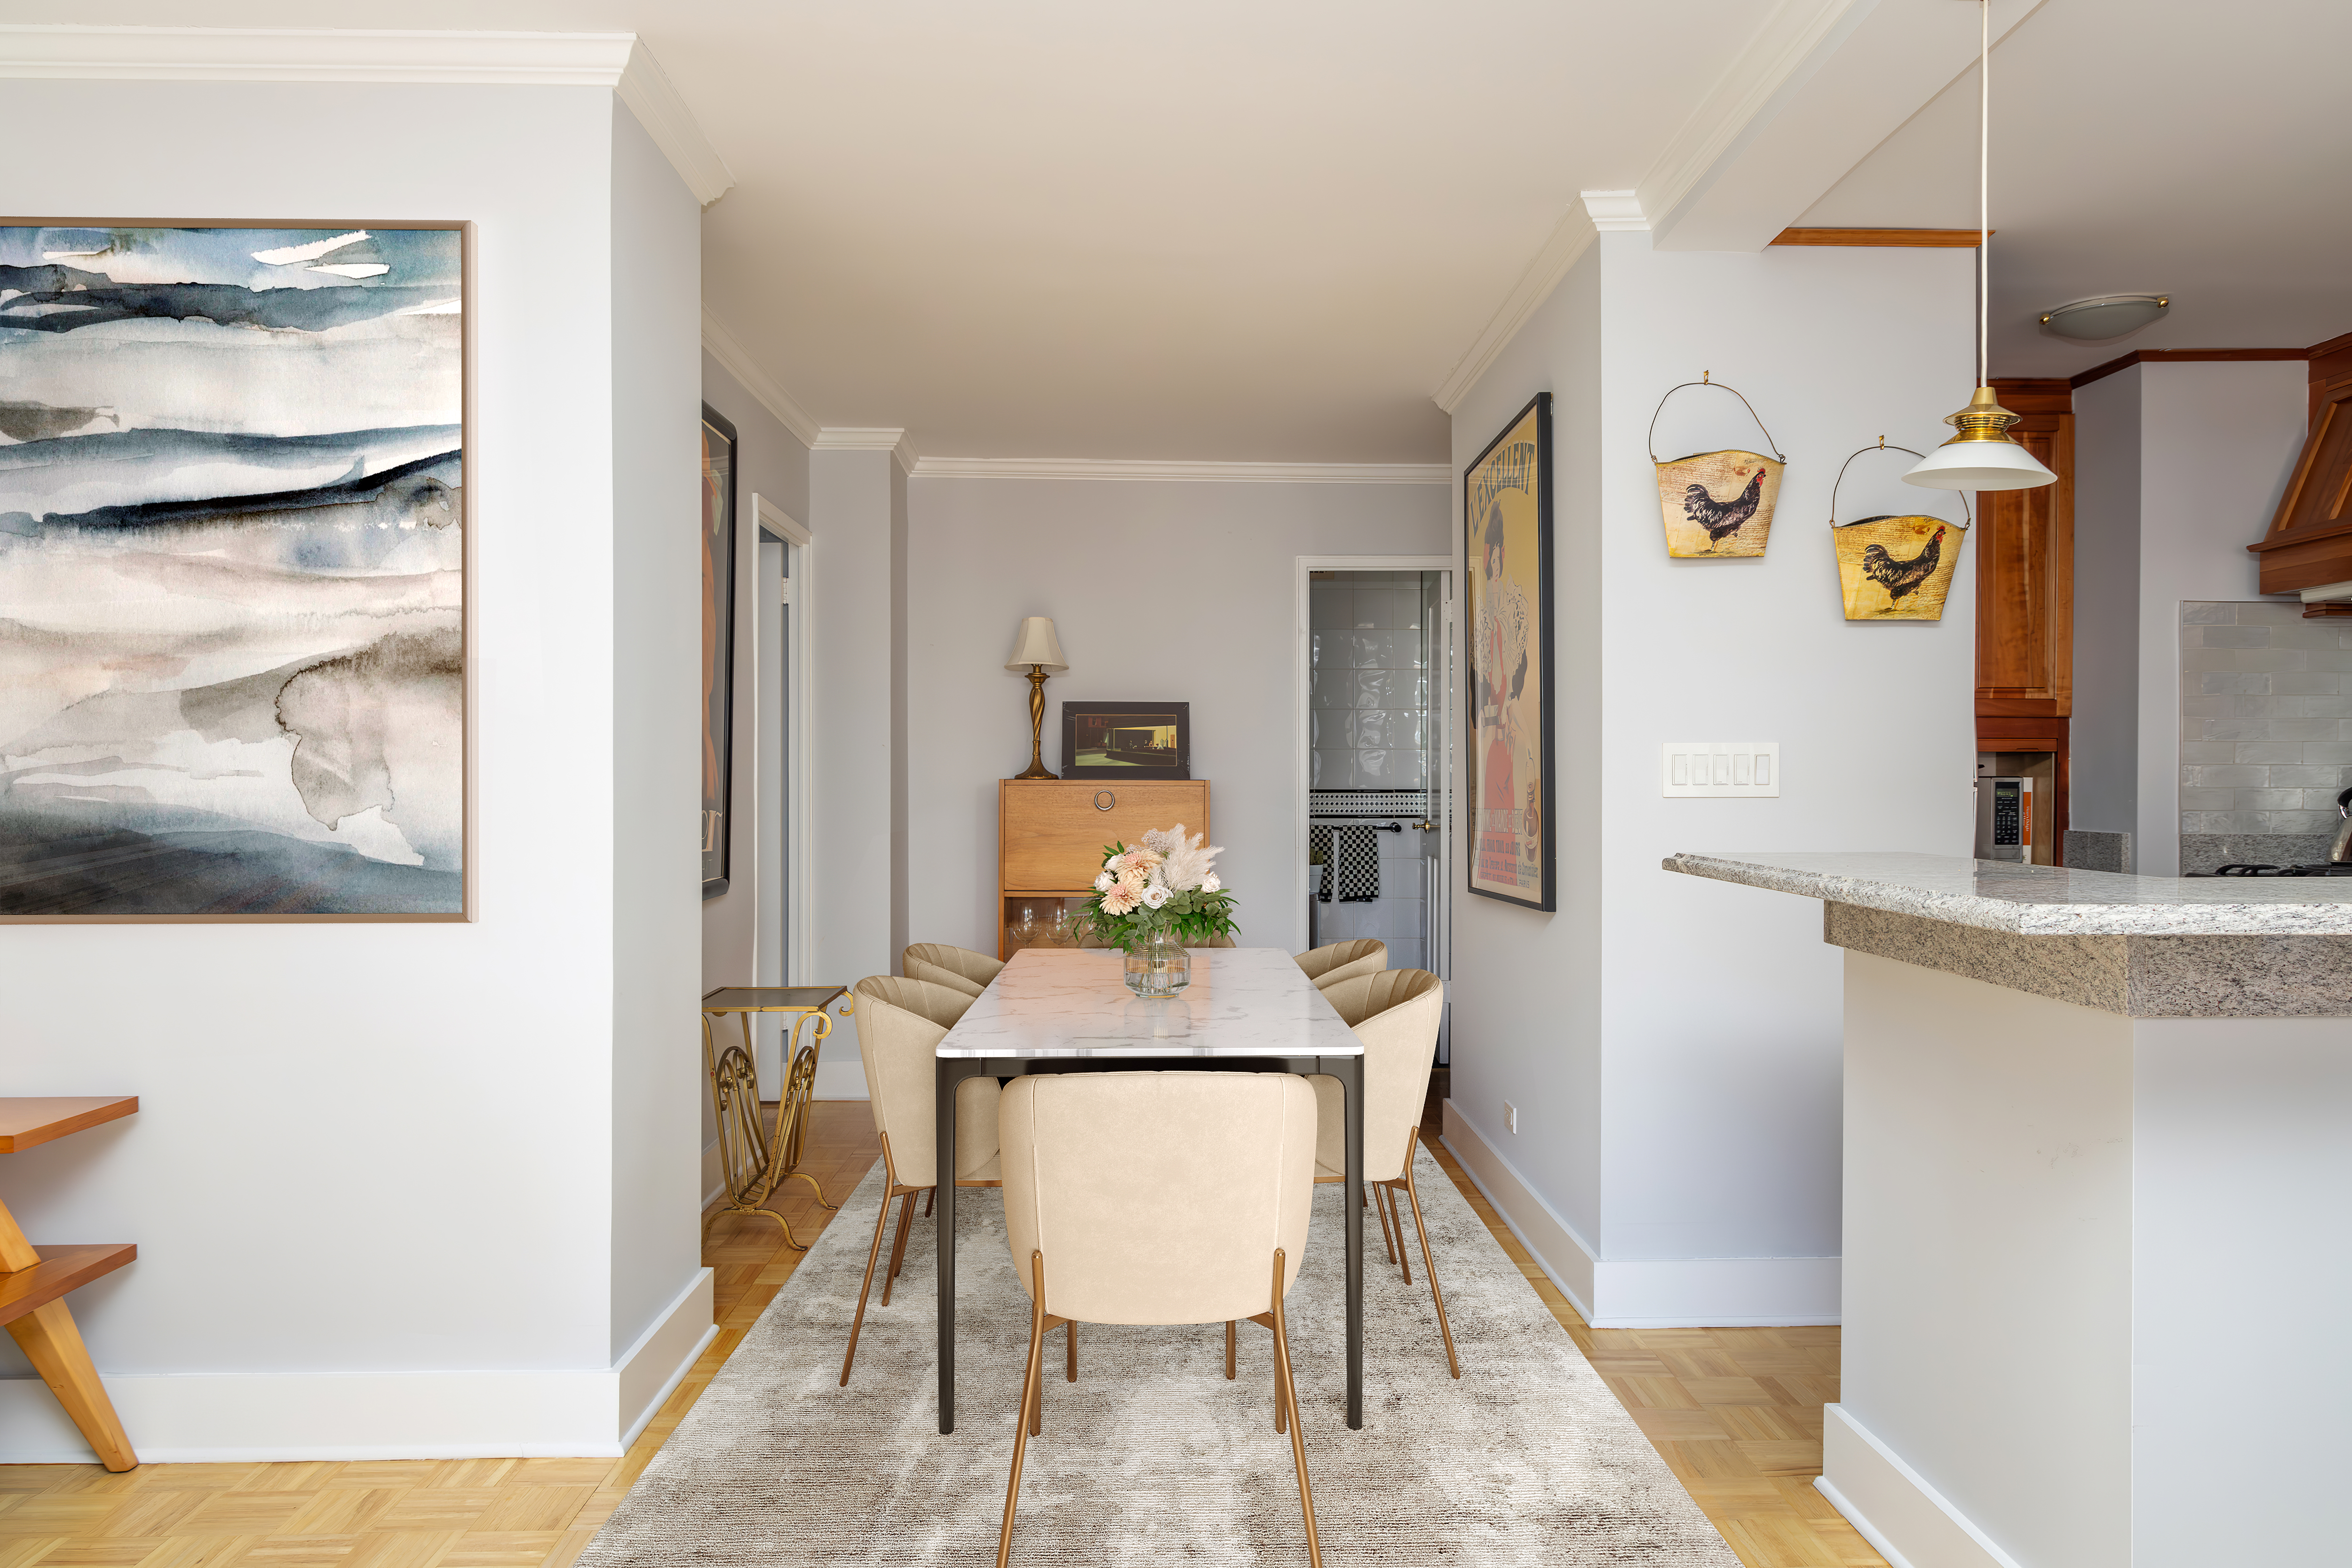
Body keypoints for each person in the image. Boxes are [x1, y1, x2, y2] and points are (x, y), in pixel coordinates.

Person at [1471, 499, 1530, 889]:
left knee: (1508, 806)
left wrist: (1509, 714)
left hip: (1505, 740)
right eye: (1490, 552)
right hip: (1495, 742)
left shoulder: (1512, 606)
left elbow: (1517, 673)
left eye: (1496, 552)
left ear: (1502, 554)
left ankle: (1509, 877)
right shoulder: (1485, 617)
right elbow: (1483, 681)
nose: (1493, 560)